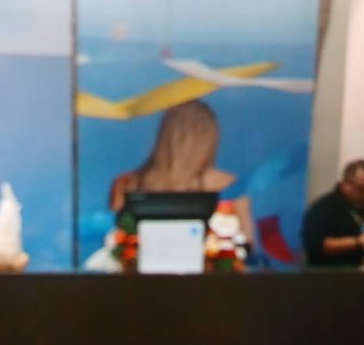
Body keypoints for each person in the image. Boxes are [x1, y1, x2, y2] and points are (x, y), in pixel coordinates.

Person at [108, 99, 254, 244]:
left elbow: (115, 242)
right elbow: (248, 243)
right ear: (210, 137)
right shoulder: (230, 185)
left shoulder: (125, 183)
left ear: (164, 134)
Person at [302, 159, 364, 267]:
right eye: (361, 189)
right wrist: (357, 241)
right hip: (329, 271)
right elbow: (316, 245)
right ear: (345, 184)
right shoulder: (324, 207)